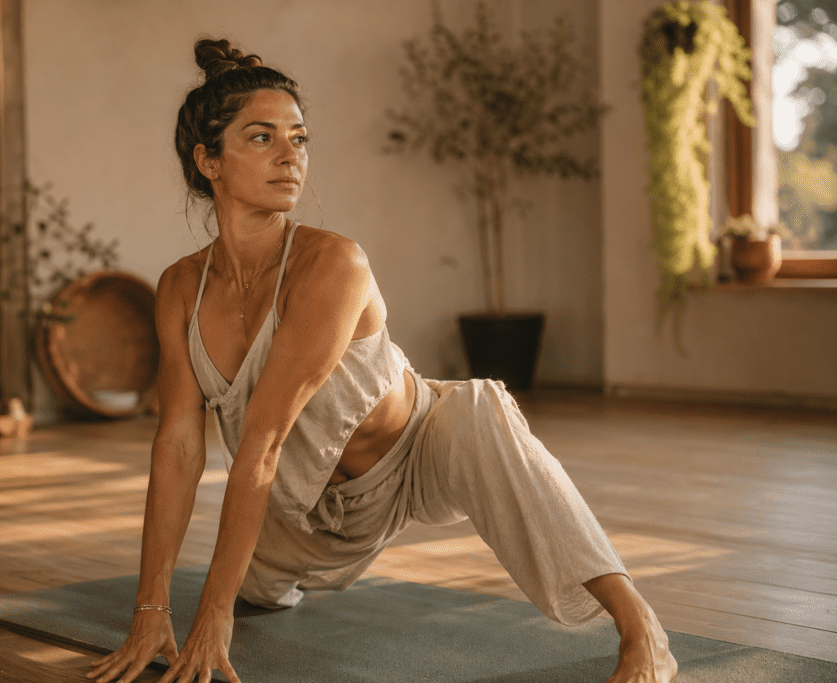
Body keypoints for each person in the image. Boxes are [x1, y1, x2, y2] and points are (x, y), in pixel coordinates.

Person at [88, 38, 677, 683]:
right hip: (302, 509)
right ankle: (293, 576)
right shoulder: (181, 289)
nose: (291, 156)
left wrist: (213, 618)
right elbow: (176, 442)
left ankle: (639, 625)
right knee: (252, 589)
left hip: (415, 455)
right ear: (208, 160)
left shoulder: (332, 263)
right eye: (261, 138)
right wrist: (152, 608)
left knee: (481, 415)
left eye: (300, 138)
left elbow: (263, 438)